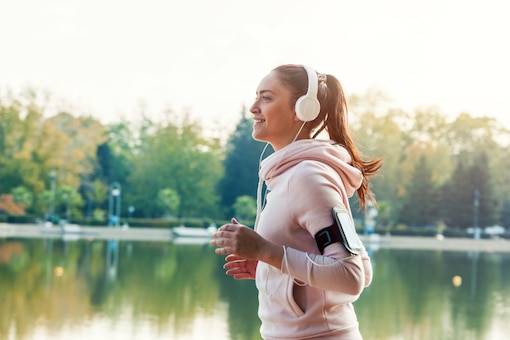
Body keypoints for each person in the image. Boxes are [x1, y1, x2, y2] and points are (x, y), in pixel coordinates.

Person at [211, 64, 382, 339]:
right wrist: (275, 269)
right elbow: (360, 266)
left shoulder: (308, 177)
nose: (253, 107)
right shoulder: (287, 175)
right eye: (256, 96)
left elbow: (353, 277)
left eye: (266, 98)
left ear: (303, 109)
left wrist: (267, 252)